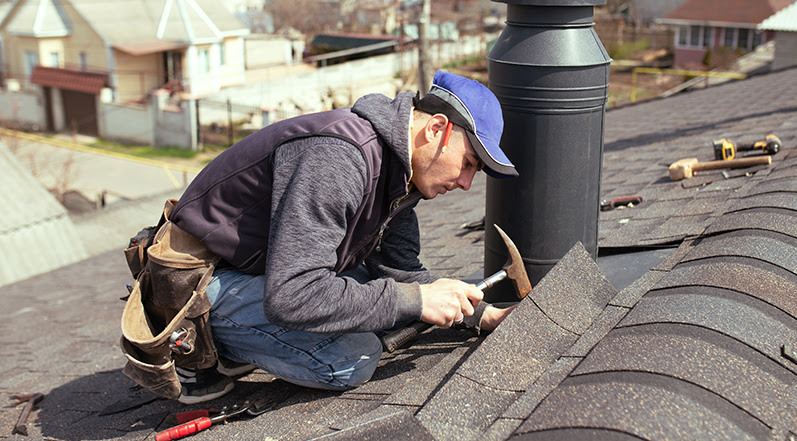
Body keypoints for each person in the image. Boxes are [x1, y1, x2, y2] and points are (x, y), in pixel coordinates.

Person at [168, 71, 519, 404]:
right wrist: (414, 300)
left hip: (263, 273)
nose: (466, 183)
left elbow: (398, 274)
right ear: (436, 128)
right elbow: (293, 295)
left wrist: (482, 315)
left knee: (391, 302)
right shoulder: (340, 157)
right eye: (469, 163)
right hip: (198, 283)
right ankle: (202, 345)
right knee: (353, 356)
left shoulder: (400, 174)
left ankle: (252, 339)